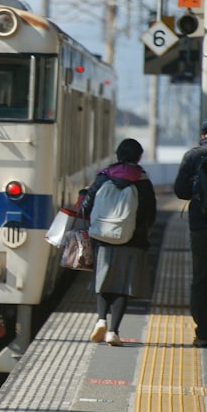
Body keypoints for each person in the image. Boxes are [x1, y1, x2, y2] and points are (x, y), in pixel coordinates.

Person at [80, 138, 156, 347]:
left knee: (103, 281)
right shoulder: (142, 181)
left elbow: (85, 207)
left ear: (118, 154)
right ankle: (113, 332)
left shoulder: (104, 177)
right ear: (139, 156)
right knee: (122, 285)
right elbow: (150, 214)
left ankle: (101, 320)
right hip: (132, 241)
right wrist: (141, 234)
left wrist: (84, 195)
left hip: (103, 239)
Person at [173, 115, 207, 347]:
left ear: (203, 134)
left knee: (200, 280)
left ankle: (203, 334)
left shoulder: (193, 156)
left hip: (201, 227)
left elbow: (181, 191)